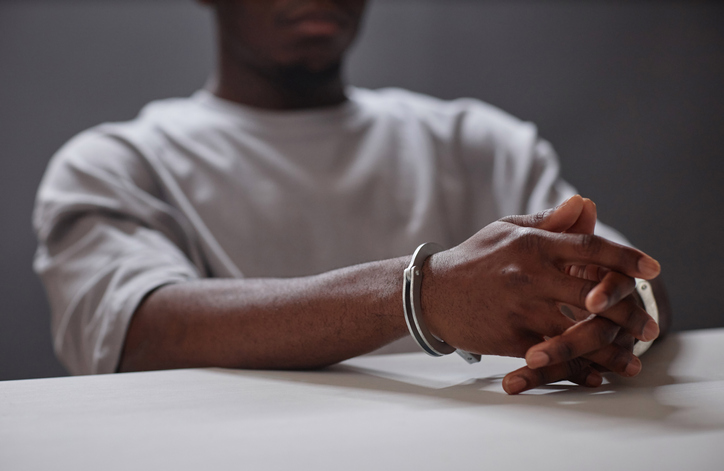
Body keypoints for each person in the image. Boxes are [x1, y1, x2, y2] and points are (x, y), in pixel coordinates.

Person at [33, 0, 670, 395]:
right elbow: (135, 332)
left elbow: (629, 278)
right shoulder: (117, 164)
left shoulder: (478, 141)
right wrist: (423, 294)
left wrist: (610, 316)